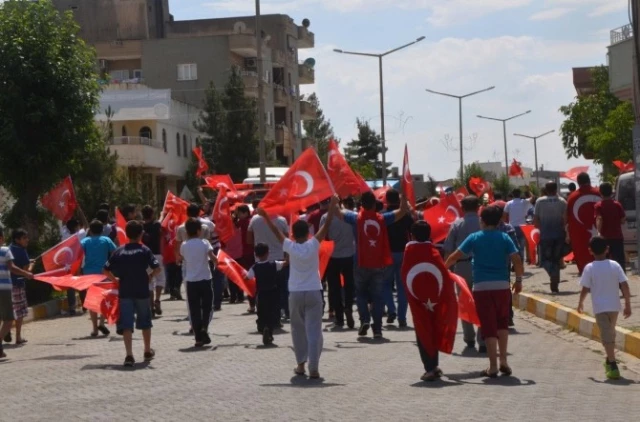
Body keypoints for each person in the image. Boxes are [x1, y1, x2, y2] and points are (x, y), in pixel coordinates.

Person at [257, 195, 338, 379]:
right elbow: (325, 227)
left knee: (298, 329)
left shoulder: (290, 247)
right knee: (314, 329)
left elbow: (276, 232)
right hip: (313, 291)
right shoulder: (313, 244)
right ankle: (314, 368)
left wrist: (265, 216)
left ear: (293, 234)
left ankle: (301, 365)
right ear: (308, 232)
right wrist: (332, 206)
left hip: (295, 293)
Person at [445, 206, 524, 378]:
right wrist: (518, 281)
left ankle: (493, 366)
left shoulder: (474, 237)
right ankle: (503, 360)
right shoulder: (504, 237)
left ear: (483, 221)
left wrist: (443, 270)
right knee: (502, 323)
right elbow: (517, 259)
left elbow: (455, 256)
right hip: (502, 286)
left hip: (482, 287)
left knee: (488, 326)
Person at [340, 190, 409, 339]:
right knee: (378, 297)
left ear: (362, 204)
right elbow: (403, 211)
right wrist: (404, 197)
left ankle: (364, 319)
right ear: (375, 204)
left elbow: (337, 213)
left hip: (360, 262)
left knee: (361, 294)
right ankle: (377, 329)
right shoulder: (382, 219)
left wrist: (335, 200)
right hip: (378, 263)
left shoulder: (355, 218)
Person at [403, 221, 458, 382]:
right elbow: (443, 274)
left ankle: (430, 368)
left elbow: (405, 274)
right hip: (435, 298)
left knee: (422, 330)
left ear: (412, 235)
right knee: (435, 327)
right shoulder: (434, 251)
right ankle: (433, 366)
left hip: (418, 298)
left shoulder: (409, 251)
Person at [104, 220, 160, 367]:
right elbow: (157, 267)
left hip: (125, 292)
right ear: (141, 234)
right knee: (145, 322)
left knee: (126, 325)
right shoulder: (144, 250)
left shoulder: (119, 251)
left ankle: (129, 355)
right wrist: (150, 276)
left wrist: (115, 280)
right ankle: (147, 350)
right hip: (142, 291)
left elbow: (105, 269)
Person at [577, 236, 631, 380]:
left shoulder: (589, 267)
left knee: (609, 334)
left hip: (601, 307)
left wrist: (580, 302)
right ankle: (611, 362)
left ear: (590, 251)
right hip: (613, 306)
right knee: (608, 334)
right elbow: (624, 285)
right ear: (607, 249)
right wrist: (627, 304)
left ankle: (610, 362)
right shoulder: (615, 265)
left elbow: (585, 288)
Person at [444, 195, 485, 352]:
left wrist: (445, 269)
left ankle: (469, 338)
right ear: (478, 207)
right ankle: (482, 338)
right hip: (482, 266)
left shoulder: (457, 224)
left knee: (464, 302)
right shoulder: (485, 224)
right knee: (482, 301)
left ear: (462, 208)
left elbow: (449, 249)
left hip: (462, 267)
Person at [179, 218, 218, 347]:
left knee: (194, 309)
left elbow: (183, 258)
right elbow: (213, 258)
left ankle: (198, 339)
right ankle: (204, 329)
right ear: (198, 230)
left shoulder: (183, 245)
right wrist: (218, 262)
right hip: (205, 279)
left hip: (191, 281)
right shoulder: (205, 243)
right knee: (207, 307)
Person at [247, 208, 289, 321]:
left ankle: (264, 313)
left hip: (259, 261)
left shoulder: (254, 220)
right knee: (281, 287)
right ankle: (283, 310)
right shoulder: (282, 220)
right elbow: (286, 239)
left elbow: (249, 240)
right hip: (279, 257)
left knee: (262, 289)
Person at [321, 199, 356, 329]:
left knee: (334, 288)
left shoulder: (326, 217)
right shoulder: (351, 215)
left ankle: (340, 318)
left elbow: (322, 236)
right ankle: (348, 307)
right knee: (349, 285)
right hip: (349, 254)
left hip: (333, 256)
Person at [0, 226, 34, 359]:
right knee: (9, 319)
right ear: (1, 238)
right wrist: (27, 273)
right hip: (4, 289)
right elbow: (12, 267)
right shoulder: (4, 250)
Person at [383, 189, 413, 327]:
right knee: (402, 287)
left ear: (386, 200)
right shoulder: (406, 216)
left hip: (387, 254)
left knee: (386, 284)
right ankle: (402, 317)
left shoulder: (382, 215)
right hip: (403, 252)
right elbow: (413, 231)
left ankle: (391, 310)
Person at [81, 219, 117, 336]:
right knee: (105, 299)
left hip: (89, 274)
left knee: (92, 301)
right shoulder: (106, 240)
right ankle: (102, 322)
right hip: (104, 274)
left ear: (90, 230)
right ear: (102, 230)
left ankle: (95, 329)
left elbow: (78, 254)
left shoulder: (85, 241)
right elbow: (115, 253)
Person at [245, 243, 285, 345]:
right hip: (273, 293)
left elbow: (247, 278)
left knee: (262, 312)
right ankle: (269, 331)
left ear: (256, 255)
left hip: (261, 293)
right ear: (268, 253)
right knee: (272, 313)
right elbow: (285, 263)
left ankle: (262, 327)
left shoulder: (254, 267)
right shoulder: (274, 264)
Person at [534, 182, 567, 293]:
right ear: (556, 189)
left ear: (546, 189)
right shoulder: (562, 201)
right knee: (556, 259)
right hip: (559, 235)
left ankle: (553, 276)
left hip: (545, 235)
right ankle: (555, 279)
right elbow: (565, 219)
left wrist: (539, 229)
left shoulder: (539, 201)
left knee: (544, 260)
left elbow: (536, 220)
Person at [567, 173, 601, 275]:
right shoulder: (599, 193)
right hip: (599, 232)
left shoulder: (572, 197)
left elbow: (566, 217)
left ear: (578, 182)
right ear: (589, 180)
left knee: (582, 255)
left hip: (579, 234)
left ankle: (586, 276)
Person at [6, 229, 33, 345]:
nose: (27, 240)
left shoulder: (8, 248)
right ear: (17, 240)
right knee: (19, 312)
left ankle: (6, 332)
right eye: (24, 238)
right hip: (17, 284)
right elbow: (26, 272)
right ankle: (18, 337)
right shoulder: (21, 251)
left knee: (8, 311)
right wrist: (31, 264)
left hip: (6, 285)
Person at [594, 182, 626, 272]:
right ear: (611, 192)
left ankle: (606, 279)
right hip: (617, 237)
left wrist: (598, 232)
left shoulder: (598, 206)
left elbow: (599, 218)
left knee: (604, 261)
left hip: (605, 238)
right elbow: (623, 219)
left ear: (600, 192)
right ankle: (621, 281)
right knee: (619, 260)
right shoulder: (617, 204)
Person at [142, 205, 166, 316]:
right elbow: (160, 223)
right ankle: (157, 300)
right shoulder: (156, 224)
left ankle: (151, 306)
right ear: (152, 214)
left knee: (149, 281)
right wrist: (162, 215)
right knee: (160, 279)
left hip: (145, 256)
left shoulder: (140, 226)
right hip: (157, 254)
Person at [504, 188, 532, 264]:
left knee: (512, 246)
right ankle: (521, 262)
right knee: (521, 246)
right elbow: (533, 198)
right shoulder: (524, 202)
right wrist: (528, 190)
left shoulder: (508, 203)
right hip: (522, 227)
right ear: (520, 194)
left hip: (512, 227)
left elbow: (504, 216)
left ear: (512, 194)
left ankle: (514, 263)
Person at [237, 205, 256, 313]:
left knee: (249, 279)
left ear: (245, 213)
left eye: (239, 213)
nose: (238, 216)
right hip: (254, 253)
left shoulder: (244, 222)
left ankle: (252, 304)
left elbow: (233, 225)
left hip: (247, 254)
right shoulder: (252, 220)